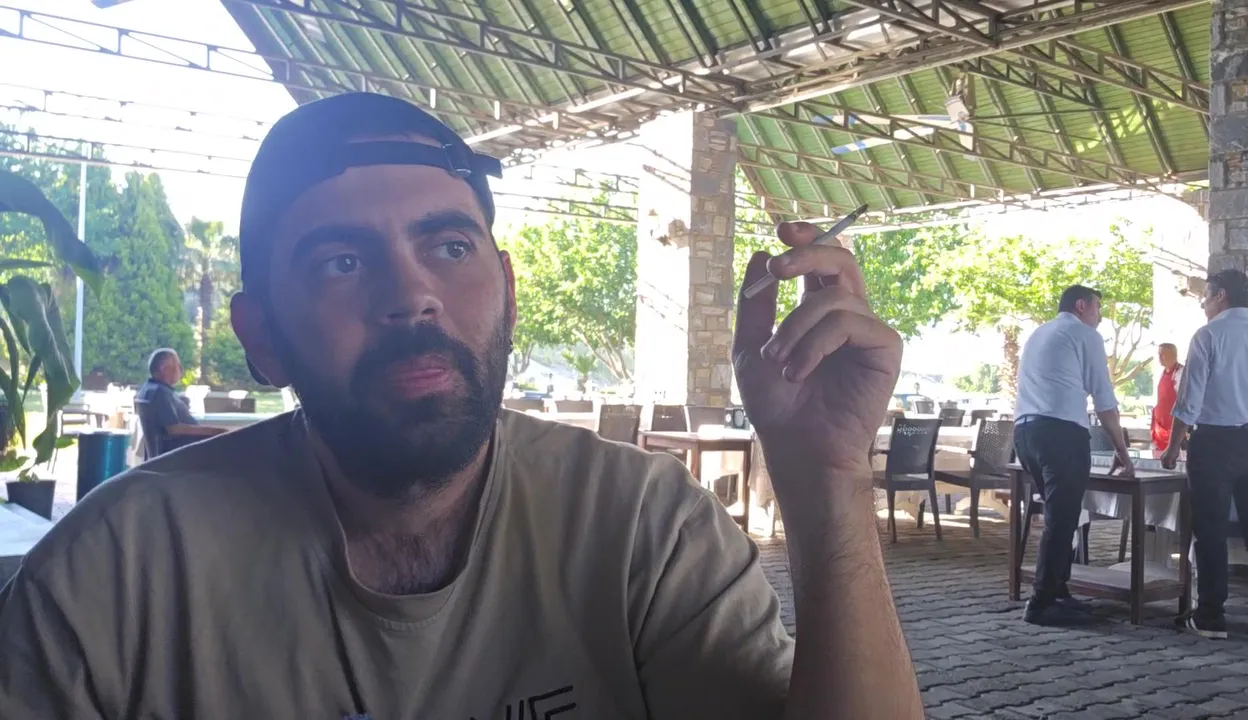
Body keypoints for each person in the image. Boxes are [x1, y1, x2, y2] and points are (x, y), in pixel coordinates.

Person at [0, 93, 923, 718]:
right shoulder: (115, 576)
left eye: (448, 246)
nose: (412, 297)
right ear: (262, 334)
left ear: (508, 292)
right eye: (342, 262)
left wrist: (825, 481)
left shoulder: (640, 528)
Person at [1161, 269, 1248, 639]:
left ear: (1221, 296)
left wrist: (1172, 446)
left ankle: (1211, 616)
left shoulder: (1208, 335)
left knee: (1210, 529)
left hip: (1214, 443)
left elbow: (1189, 401)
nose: (1203, 303)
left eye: (1206, 295)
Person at [1013, 285, 1134, 626]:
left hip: (1026, 433)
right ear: (1081, 305)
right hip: (1061, 434)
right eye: (1098, 308)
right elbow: (1104, 399)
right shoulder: (1084, 334)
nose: (1100, 316)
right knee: (1061, 519)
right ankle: (1041, 603)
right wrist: (1121, 450)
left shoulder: (1039, 333)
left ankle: (1058, 590)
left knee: (1060, 515)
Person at [133, 348, 224, 459]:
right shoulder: (159, 392)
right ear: (163, 369)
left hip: (180, 450)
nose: (180, 370)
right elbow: (174, 429)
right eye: (177, 365)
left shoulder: (148, 389)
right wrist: (215, 431)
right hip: (180, 453)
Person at [1150, 343, 1184, 454]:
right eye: (1159, 354)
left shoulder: (1181, 373)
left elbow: (1184, 402)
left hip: (1173, 430)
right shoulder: (1161, 373)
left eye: (1163, 354)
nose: (1160, 358)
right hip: (1159, 429)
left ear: (1173, 355)